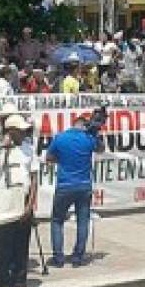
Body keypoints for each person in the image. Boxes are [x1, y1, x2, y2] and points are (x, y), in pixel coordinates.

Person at [46, 109, 105, 267]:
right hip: (84, 186)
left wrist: (63, 160)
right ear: (85, 125)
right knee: (82, 221)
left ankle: (58, 258)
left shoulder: (60, 137)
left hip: (64, 185)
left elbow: (49, 158)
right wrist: (97, 133)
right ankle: (78, 257)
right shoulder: (88, 138)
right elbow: (101, 149)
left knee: (57, 221)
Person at [0, 114, 39, 287]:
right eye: (19, 130)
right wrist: (4, 147)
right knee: (4, 246)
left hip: (23, 201)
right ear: (11, 131)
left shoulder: (29, 149)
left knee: (22, 246)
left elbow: (34, 177)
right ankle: (4, 285)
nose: (23, 133)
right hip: (4, 203)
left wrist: (30, 204)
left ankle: (19, 283)